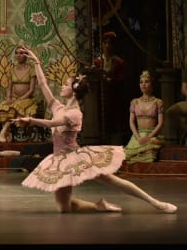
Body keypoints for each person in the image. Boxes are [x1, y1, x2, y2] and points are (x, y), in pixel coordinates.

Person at [13, 46, 176, 213]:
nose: (62, 86)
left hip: (76, 158)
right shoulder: (58, 107)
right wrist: (36, 61)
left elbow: (52, 124)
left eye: (65, 84)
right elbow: (42, 84)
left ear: (74, 90)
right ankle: (98, 205)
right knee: (63, 208)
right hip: (59, 160)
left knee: (113, 181)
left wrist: (31, 120)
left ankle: (156, 203)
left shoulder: (75, 113)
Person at [0, 45, 40, 143]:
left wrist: (20, 99)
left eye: (21, 53)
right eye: (17, 53)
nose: (19, 55)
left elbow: (31, 89)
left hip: (27, 99)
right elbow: (9, 87)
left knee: (15, 106)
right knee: (3, 107)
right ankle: (7, 135)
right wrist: (8, 98)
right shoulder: (12, 70)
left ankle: (2, 133)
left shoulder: (31, 69)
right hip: (14, 98)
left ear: (26, 55)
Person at [94, 31, 128, 144]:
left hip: (115, 98)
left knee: (115, 122)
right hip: (100, 97)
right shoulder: (97, 62)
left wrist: (111, 80)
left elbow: (121, 79)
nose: (108, 46)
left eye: (110, 43)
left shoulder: (119, 62)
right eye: (105, 43)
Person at [124, 71, 165, 164]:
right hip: (137, 136)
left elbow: (160, 123)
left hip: (152, 135)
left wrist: (149, 136)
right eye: (141, 82)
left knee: (148, 154)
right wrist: (137, 137)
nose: (143, 84)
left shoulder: (158, 102)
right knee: (129, 157)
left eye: (146, 82)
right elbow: (131, 122)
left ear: (152, 84)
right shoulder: (134, 102)